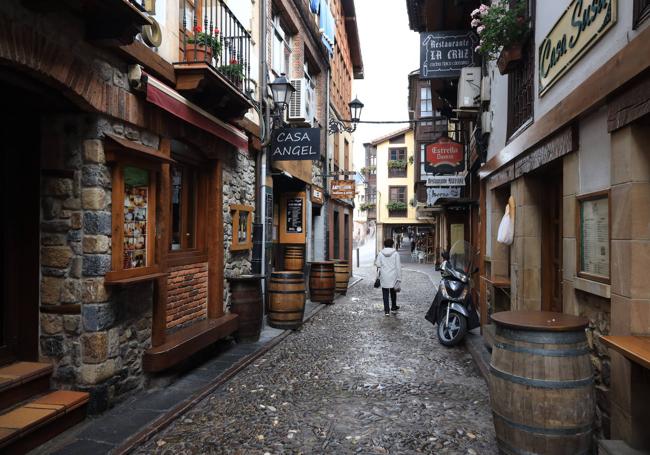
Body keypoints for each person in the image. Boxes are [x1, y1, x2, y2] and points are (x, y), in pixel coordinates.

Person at [375, 238, 402, 316]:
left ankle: (386, 310)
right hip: (393, 276)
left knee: (385, 293)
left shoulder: (380, 253)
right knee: (393, 292)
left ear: (384, 245)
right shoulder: (395, 254)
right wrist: (399, 278)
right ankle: (393, 307)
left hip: (384, 275)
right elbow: (398, 266)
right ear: (392, 244)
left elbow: (378, 264)